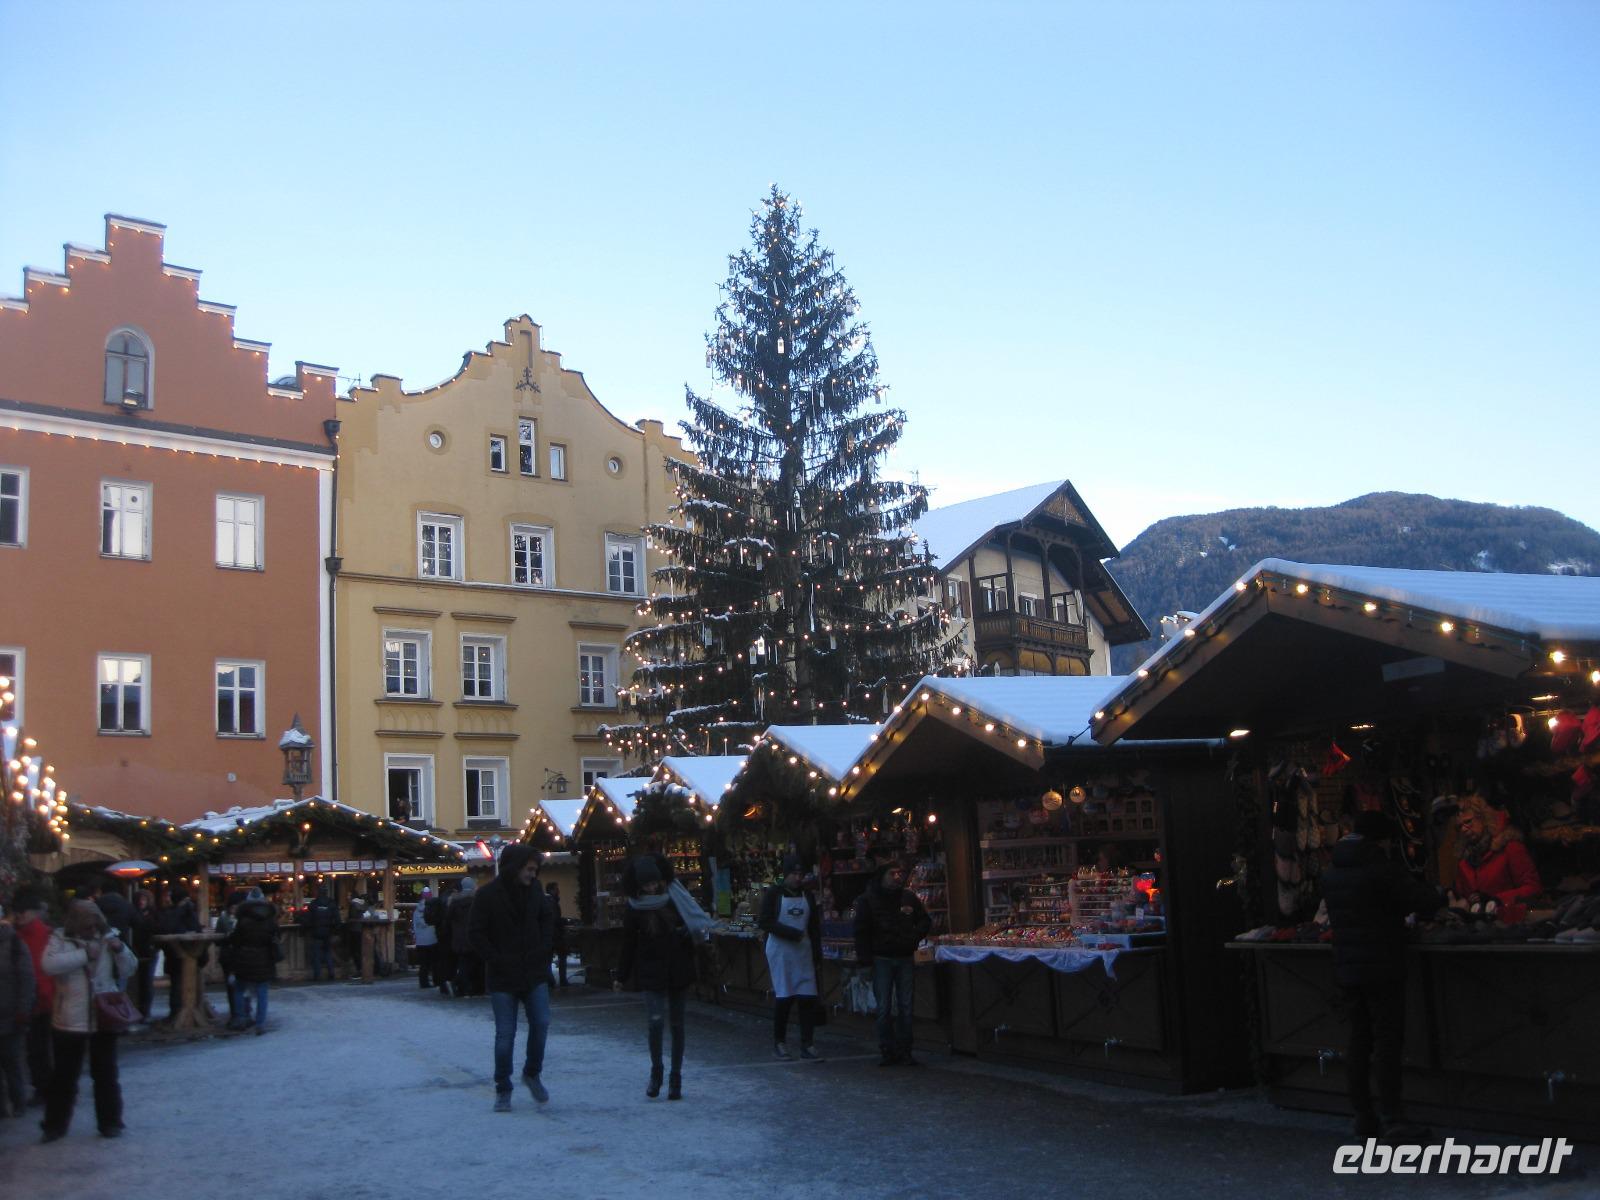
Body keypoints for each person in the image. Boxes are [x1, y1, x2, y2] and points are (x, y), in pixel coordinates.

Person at [1321, 811, 1442, 1141]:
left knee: (1359, 1040)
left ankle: (1363, 1113)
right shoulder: (1381, 868)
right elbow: (1419, 898)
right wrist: (1440, 896)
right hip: (1382, 962)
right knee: (1387, 1040)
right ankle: (1393, 1116)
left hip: (1348, 965)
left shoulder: (1333, 872)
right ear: (1382, 840)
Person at [40, 900, 137, 1142]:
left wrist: (120, 950)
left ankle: (111, 1122)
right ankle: (54, 1125)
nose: (91, 930)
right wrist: (83, 954)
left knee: (105, 1074)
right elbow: (49, 965)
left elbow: (130, 969)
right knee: (64, 1075)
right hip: (69, 1018)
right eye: (86, 927)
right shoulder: (59, 939)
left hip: (102, 1016)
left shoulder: (109, 937)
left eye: (94, 925)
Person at [467, 846, 555, 1112]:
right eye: (529, 869)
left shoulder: (535, 892)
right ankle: (503, 1087)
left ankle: (532, 1072)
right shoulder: (487, 895)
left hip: (533, 971)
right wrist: (495, 958)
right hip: (503, 975)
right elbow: (476, 932)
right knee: (505, 1035)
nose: (533, 874)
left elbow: (548, 921)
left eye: (535, 869)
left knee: (541, 1023)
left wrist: (544, 949)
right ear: (514, 867)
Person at [615, 856, 697, 1100]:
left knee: (677, 1024)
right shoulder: (634, 907)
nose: (652, 888)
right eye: (647, 885)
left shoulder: (674, 899)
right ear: (638, 886)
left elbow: (692, 923)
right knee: (655, 1023)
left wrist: (685, 935)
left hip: (678, 968)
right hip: (651, 971)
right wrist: (622, 975)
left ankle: (675, 1078)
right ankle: (657, 1072)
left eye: (655, 883)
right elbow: (628, 942)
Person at [853, 859, 931, 1067]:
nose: (897, 877)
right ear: (882, 876)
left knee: (906, 1006)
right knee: (884, 1007)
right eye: (892, 873)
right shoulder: (868, 900)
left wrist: (913, 937)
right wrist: (865, 962)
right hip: (882, 959)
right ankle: (887, 1049)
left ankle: (905, 1050)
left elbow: (924, 920)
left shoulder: (908, 897)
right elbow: (861, 932)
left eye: (899, 873)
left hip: (904, 957)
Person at [760, 855, 824, 1061]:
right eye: (794, 874)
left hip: (803, 951)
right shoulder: (774, 894)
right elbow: (766, 922)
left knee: (807, 997)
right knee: (785, 997)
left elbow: (813, 926)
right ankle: (780, 1042)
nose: (798, 878)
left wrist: (816, 953)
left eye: (800, 874)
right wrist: (790, 933)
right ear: (785, 875)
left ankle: (808, 1043)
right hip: (781, 951)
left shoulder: (808, 895)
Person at [1454, 793, 1541, 907]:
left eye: (1468, 822)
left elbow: (1533, 888)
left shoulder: (1509, 847)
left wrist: (1497, 900)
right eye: (1460, 826)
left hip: (1510, 919)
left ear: (1483, 818)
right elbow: (1463, 895)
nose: (1464, 829)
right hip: (1479, 922)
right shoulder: (1465, 861)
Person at [11, 887, 54, 1107]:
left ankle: (45, 1088)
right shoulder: (18, 936)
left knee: (38, 1048)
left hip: (43, 997)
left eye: (22, 912)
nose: (19, 916)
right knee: (36, 1048)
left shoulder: (41, 934)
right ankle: (43, 1087)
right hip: (35, 997)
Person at [225, 887, 279, 1035]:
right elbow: (274, 937)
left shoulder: (242, 920)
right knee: (262, 992)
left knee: (239, 988)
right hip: (264, 959)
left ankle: (241, 1017)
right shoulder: (269, 919)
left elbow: (235, 940)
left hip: (244, 959)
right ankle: (260, 1023)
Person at [0, 904, 36, 1118]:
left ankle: (18, 1101)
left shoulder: (14, 944)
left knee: (11, 1061)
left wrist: (24, 1009)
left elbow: (26, 979)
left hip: (11, 1013)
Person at [156, 883, 200, 1020]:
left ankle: (182, 1011)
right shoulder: (172, 913)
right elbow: (169, 927)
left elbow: (195, 927)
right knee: (177, 984)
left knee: (179, 983)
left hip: (186, 953)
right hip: (179, 953)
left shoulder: (178, 912)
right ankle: (178, 1012)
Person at [447, 877, 483, 997]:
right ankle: (468, 986)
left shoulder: (454, 902)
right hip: (473, 938)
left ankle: (462, 986)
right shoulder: (477, 901)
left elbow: (448, 920)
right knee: (474, 964)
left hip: (458, 939)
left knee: (464, 963)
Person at [129, 889, 158, 1021]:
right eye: (140, 899)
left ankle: (145, 1011)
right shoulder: (134, 914)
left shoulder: (152, 914)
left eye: (144, 899)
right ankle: (140, 1009)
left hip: (149, 950)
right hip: (137, 949)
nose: (141, 902)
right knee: (139, 982)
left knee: (147, 981)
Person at [303, 885, 338, 982]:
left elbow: (308, 919)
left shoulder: (314, 904)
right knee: (328, 953)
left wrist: (308, 927)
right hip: (328, 932)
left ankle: (317, 975)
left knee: (316, 954)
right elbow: (337, 919)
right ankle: (331, 973)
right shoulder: (331, 903)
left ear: (318, 893)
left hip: (316, 932)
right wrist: (335, 930)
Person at [429, 884, 455, 995]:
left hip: (440, 936)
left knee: (442, 961)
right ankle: (449, 982)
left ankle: (442, 983)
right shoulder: (450, 901)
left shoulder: (439, 902)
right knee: (450, 961)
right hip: (449, 936)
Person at [412, 887, 439, 990]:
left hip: (421, 941)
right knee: (435, 963)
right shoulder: (433, 909)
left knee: (423, 964)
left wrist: (415, 936)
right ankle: (437, 980)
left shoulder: (416, 911)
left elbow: (414, 925)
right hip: (432, 939)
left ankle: (423, 982)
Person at [546, 881, 569, 988]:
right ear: (551, 890)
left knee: (548, 958)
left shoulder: (548, 901)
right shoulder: (552, 902)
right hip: (555, 935)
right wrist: (564, 922)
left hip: (550, 935)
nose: (558, 891)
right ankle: (560, 980)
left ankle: (551, 980)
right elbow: (555, 919)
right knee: (562, 956)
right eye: (556, 889)